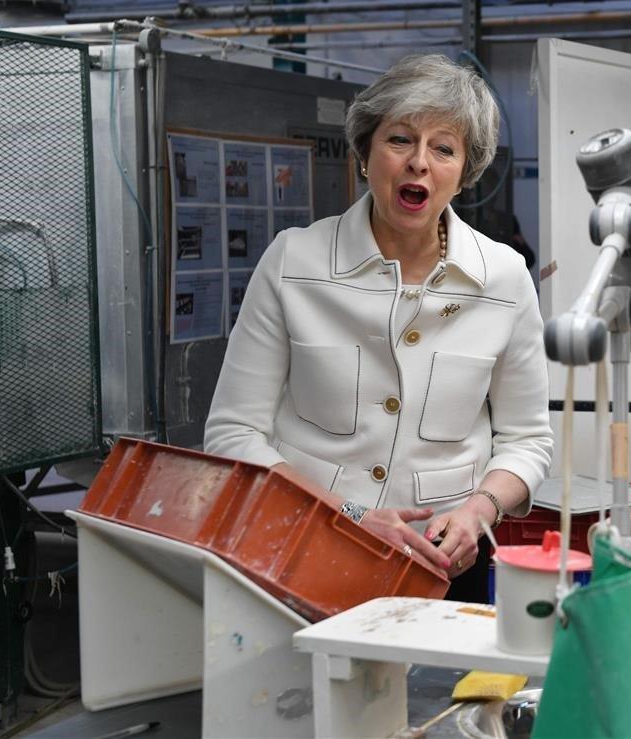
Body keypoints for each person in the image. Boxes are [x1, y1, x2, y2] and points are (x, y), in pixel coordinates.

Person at [204, 55, 553, 603]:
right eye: (399, 140)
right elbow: (232, 434)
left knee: (444, 692)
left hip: (440, 565)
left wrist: (478, 511)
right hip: (302, 551)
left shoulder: (504, 278)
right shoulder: (294, 261)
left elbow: (527, 440)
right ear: (365, 154)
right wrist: (347, 515)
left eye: (444, 148)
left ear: (464, 172)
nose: (419, 162)